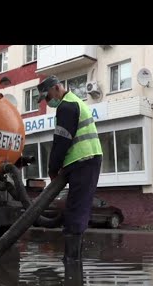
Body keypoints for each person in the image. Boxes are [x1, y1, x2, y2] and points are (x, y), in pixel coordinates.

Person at [36, 75, 103, 263]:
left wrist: (52, 168)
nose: (48, 102)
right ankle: (73, 259)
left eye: (48, 97)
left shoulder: (66, 106)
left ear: (57, 88)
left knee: (76, 208)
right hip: (83, 160)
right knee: (77, 207)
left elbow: (61, 140)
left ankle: (72, 261)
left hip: (84, 159)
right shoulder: (73, 103)